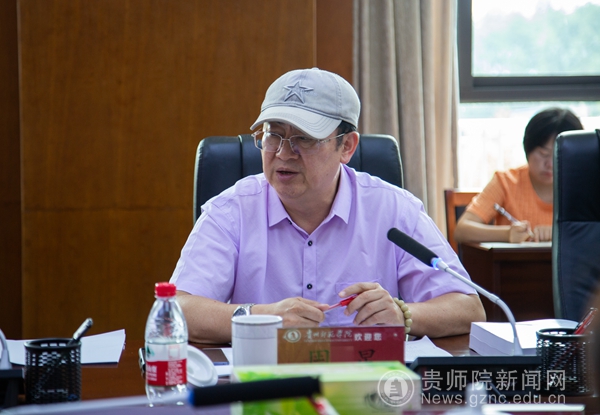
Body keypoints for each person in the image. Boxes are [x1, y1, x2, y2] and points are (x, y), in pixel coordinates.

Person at [170, 68, 485, 344]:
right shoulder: (231, 211)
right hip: (264, 384)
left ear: (346, 146)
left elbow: (468, 308)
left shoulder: (394, 210)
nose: (283, 153)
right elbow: (178, 311)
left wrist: (403, 315)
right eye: (273, 135)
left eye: (304, 138)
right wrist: (263, 317)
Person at [454, 108, 583, 244]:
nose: (550, 164)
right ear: (528, 149)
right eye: (543, 153)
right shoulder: (506, 182)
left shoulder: (584, 186)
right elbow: (462, 230)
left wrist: (560, 234)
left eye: (559, 155)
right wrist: (507, 234)